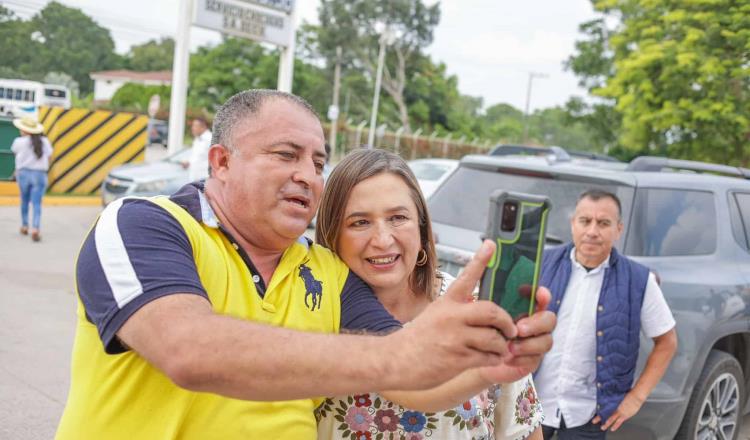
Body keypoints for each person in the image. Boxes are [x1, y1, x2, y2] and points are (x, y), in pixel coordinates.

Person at [56, 89, 555, 440]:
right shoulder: (142, 224)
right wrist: (402, 354)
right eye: (286, 154)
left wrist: (490, 365)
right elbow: (187, 350)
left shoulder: (327, 271)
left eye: (318, 163)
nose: (307, 175)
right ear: (221, 163)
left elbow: (411, 386)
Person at [315, 148, 545, 439]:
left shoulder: (478, 311)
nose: (383, 239)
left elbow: (524, 431)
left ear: (422, 229)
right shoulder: (311, 310)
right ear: (331, 234)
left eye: (398, 218)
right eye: (360, 222)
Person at [535, 189, 678, 439]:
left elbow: (667, 342)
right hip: (530, 406)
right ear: (573, 224)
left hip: (590, 414)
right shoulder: (541, 264)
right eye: (585, 221)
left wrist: (636, 397)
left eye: (603, 223)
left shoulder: (639, 280)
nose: (592, 231)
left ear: (618, 229)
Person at [11, 116, 53, 242]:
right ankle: (35, 228)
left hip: (23, 173)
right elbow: (50, 156)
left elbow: (15, 154)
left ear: (25, 130)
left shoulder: (19, 141)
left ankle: (24, 226)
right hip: (40, 174)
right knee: (36, 203)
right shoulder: (45, 141)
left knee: (24, 201)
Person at [182, 116, 212, 181]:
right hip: (195, 178)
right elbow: (198, 157)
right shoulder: (197, 139)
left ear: (203, 127)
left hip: (205, 179)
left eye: (195, 126)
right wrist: (189, 162)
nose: (192, 128)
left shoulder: (210, 139)